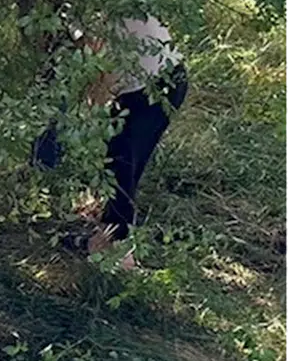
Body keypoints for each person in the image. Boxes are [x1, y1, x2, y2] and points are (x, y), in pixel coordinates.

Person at [33, 15, 188, 268]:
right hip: (147, 82)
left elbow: (104, 71)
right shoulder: (83, 9)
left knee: (122, 165)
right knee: (121, 163)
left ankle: (120, 252)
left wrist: (89, 111)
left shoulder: (101, 7)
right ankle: (105, 238)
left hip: (157, 85)